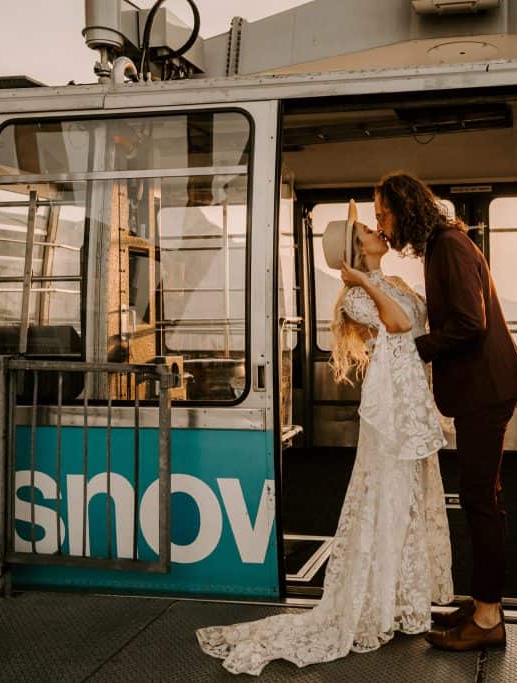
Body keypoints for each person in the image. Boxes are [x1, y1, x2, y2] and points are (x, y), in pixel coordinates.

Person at [196, 200, 453, 675]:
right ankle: (377, 602)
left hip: (412, 399)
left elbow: (419, 324)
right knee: (387, 495)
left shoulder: (395, 282)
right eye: (369, 233)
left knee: (412, 496)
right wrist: (359, 283)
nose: (380, 232)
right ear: (357, 251)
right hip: (389, 409)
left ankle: (405, 598)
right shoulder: (356, 296)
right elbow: (397, 325)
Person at [373, 172, 517, 651]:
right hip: (483, 388)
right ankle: (486, 603)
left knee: (481, 500)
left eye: (383, 213)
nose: (381, 224)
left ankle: (487, 619)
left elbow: (468, 323)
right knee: (482, 496)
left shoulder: (450, 246)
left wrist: (414, 350)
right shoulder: (442, 245)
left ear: (405, 209)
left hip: (487, 388)